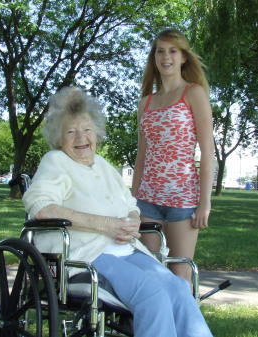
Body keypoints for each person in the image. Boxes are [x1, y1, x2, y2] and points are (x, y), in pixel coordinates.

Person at [23, 86, 213, 337]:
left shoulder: (103, 165)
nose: (81, 138)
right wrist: (105, 225)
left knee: (178, 287)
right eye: (71, 131)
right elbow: (40, 207)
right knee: (152, 294)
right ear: (59, 137)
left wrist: (133, 220)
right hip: (86, 256)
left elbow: (130, 204)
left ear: (97, 133)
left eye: (87, 129)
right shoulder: (55, 161)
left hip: (127, 250)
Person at [132, 29, 215, 283]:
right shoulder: (145, 102)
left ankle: (186, 323)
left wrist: (205, 202)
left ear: (183, 57)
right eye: (160, 51)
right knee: (150, 275)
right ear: (153, 57)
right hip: (147, 200)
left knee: (181, 276)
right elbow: (142, 156)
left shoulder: (193, 93)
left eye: (172, 50)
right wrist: (132, 201)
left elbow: (207, 151)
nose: (165, 56)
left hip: (182, 201)